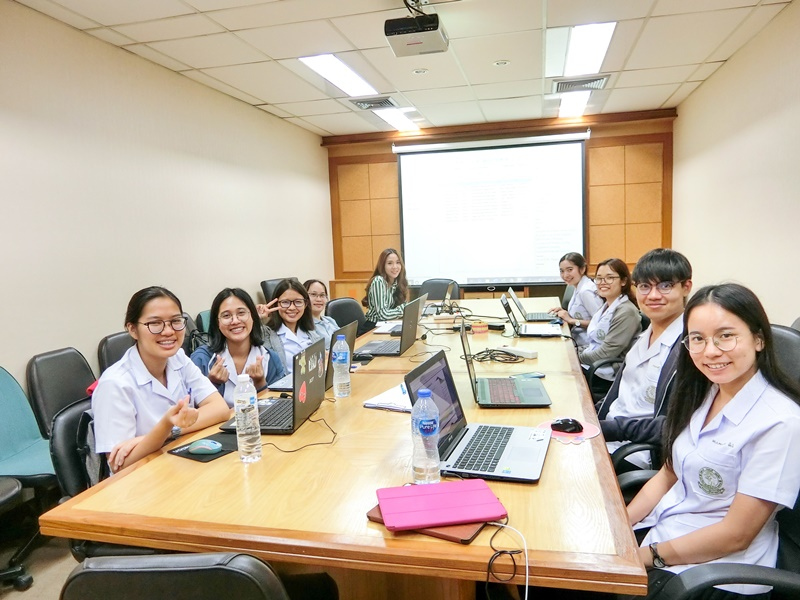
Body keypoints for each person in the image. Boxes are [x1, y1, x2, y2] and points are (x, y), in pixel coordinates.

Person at [623, 283, 800, 599]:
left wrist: (645, 556)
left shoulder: (780, 421)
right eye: (698, 339)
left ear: (758, 338)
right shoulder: (704, 392)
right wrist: (620, 526)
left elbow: (735, 535)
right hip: (664, 538)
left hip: (710, 576)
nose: (711, 351)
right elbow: (668, 473)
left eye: (726, 336)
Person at [92, 286, 230, 472]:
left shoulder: (177, 358)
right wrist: (165, 426)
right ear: (132, 329)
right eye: (155, 324)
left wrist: (167, 432)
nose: (168, 331)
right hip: (140, 481)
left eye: (175, 321)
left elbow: (219, 408)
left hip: (179, 463)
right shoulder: (115, 384)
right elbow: (120, 464)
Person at [596, 249, 692, 471]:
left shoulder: (690, 346)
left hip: (635, 453)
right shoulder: (645, 335)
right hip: (606, 436)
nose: (653, 295)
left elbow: (674, 426)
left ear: (686, 287)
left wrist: (607, 429)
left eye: (665, 286)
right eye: (645, 286)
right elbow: (620, 396)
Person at [190, 288, 286, 406]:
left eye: (241, 313)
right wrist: (212, 383)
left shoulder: (270, 358)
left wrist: (260, 384)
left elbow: (281, 407)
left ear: (253, 317)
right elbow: (190, 411)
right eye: (226, 315)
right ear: (217, 323)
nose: (235, 321)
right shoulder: (202, 359)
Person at [578, 258, 641, 396]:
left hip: (605, 373)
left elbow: (607, 352)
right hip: (594, 364)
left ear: (623, 281)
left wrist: (577, 358)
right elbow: (594, 342)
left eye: (610, 278)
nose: (602, 283)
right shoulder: (607, 306)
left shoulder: (626, 312)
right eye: (599, 278)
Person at [264, 278, 322, 374]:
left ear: (306, 304)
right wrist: (257, 317)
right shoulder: (267, 335)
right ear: (275, 305)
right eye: (285, 302)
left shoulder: (311, 333)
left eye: (298, 302)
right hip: (287, 388)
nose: (292, 308)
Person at [550, 252, 604, 346]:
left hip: (588, 345)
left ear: (582, 269)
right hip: (578, 340)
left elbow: (600, 323)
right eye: (562, 271)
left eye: (570, 270)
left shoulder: (586, 291)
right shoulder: (578, 286)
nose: (565, 275)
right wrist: (564, 312)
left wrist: (571, 321)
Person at [362, 248, 409, 335]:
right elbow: (383, 315)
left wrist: (405, 308)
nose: (395, 266)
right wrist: (404, 309)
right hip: (372, 329)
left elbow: (401, 306)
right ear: (382, 266)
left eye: (398, 262)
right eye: (390, 263)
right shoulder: (378, 281)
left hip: (386, 325)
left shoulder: (396, 282)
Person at [303, 279, 339, 349]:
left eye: (322, 295)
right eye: (313, 294)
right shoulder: (304, 326)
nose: (319, 299)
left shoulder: (330, 320)